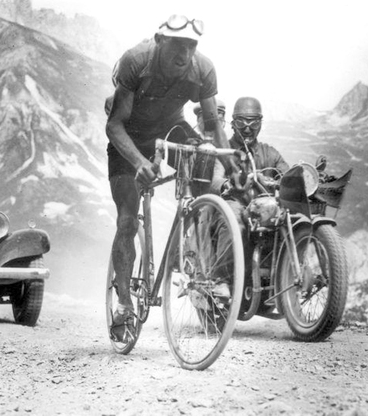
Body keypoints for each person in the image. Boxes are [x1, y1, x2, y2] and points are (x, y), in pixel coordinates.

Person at [105, 14, 236, 342]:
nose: (185, 53)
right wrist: (138, 162)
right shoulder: (136, 61)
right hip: (130, 137)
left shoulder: (203, 69)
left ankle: (197, 255)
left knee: (205, 164)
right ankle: (123, 304)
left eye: (191, 45)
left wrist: (233, 169)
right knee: (126, 221)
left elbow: (213, 125)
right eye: (178, 45)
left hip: (170, 130)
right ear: (160, 40)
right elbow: (114, 125)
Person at [209, 96, 289, 297]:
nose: (247, 127)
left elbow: (287, 174)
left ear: (260, 123)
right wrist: (228, 184)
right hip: (234, 203)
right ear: (233, 123)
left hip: (263, 210)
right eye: (242, 121)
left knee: (288, 221)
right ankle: (221, 280)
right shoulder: (224, 150)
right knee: (234, 222)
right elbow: (215, 180)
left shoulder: (269, 153)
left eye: (253, 121)